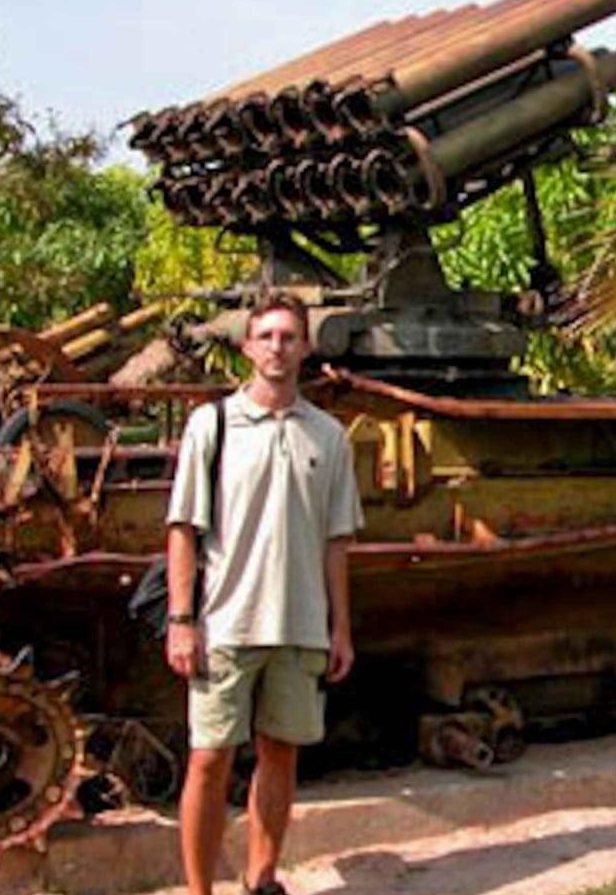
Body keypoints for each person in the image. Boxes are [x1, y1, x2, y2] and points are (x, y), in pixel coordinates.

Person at [164, 291, 362, 895]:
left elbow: (336, 542)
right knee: (208, 759)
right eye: (267, 336)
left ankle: (261, 878)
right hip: (225, 621)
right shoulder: (213, 425)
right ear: (247, 346)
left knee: (281, 754)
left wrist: (340, 628)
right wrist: (181, 619)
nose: (277, 347)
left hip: (299, 622)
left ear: (306, 348)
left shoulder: (329, 436)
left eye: (288, 337)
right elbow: (183, 529)